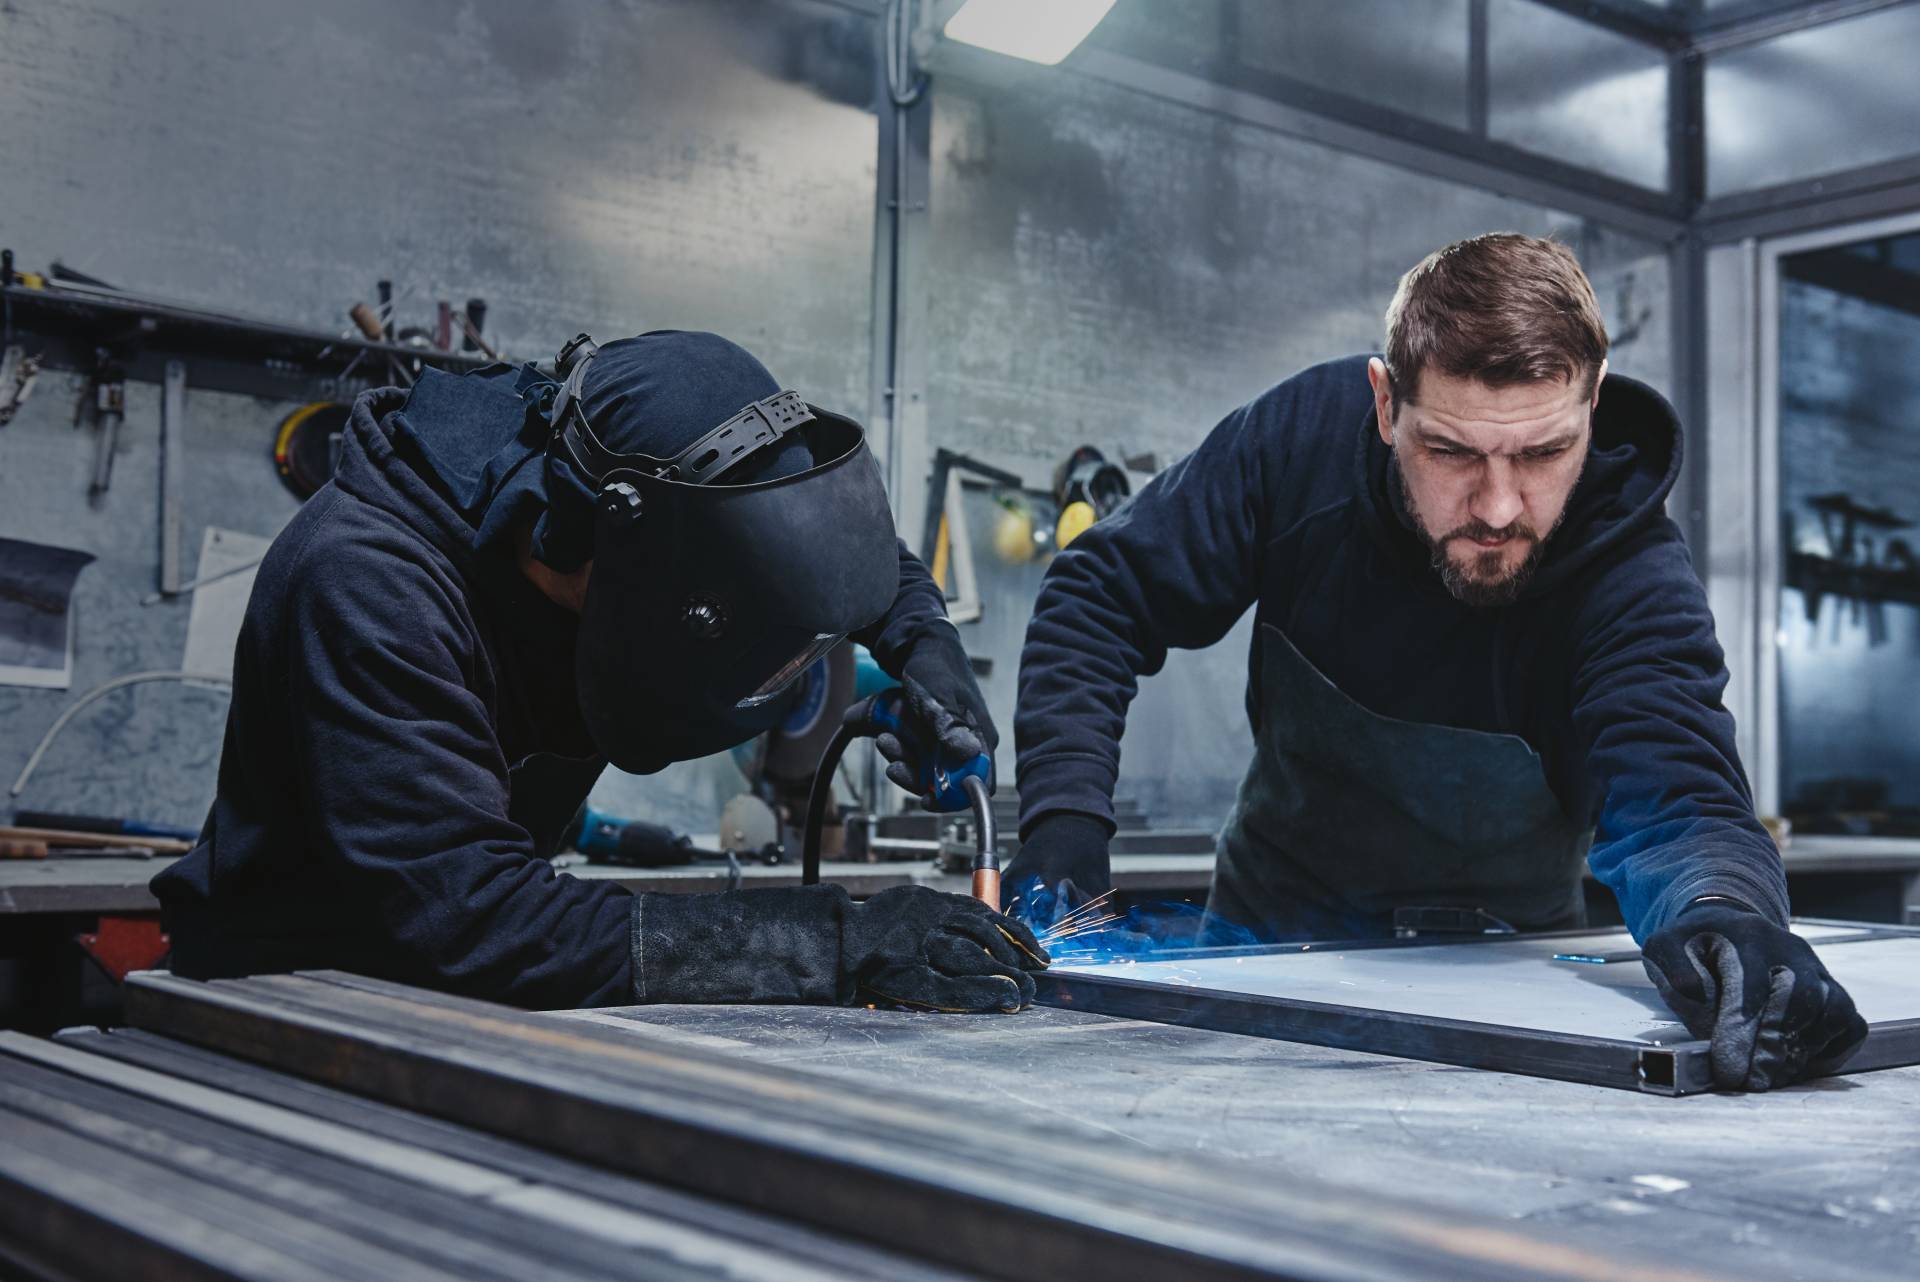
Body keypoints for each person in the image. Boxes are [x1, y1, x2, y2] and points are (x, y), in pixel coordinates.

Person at [1006, 233, 1863, 1090]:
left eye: (1541, 454)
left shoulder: (1628, 570)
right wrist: (1063, 825)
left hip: (1519, 983)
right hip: (1260, 951)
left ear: (1592, 404)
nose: (1497, 508)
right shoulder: (1298, 446)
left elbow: (1681, 796)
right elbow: (1102, 592)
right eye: (1451, 452)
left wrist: (1725, 910)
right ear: (1386, 406)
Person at [154, 330, 1045, 1012]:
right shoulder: (368, 585)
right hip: (295, 993)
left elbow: (835, 554)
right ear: (617, 540)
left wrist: (927, 646)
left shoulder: (630, 489)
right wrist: (839, 941)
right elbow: (472, 919)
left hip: (456, 993)